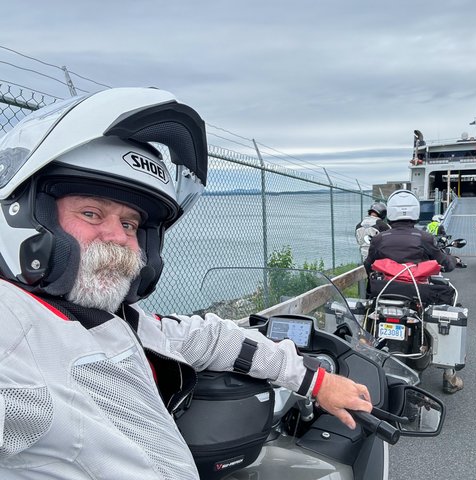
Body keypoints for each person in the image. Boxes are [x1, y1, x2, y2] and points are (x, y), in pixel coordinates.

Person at [0, 88, 372, 478]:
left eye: (129, 224)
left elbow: (209, 338)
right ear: (30, 216)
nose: (117, 236)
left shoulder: (115, 321)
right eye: (92, 213)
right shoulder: (15, 330)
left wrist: (316, 380)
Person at [363, 189, 463, 394]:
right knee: (450, 300)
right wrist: (452, 262)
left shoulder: (379, 239)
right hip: (418, 293)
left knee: (368, 314)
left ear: (390, 212)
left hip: (385, 292)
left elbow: (369, 264)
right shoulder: (424, 237)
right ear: (415, 212)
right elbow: (445, 262)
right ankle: (449, 374)